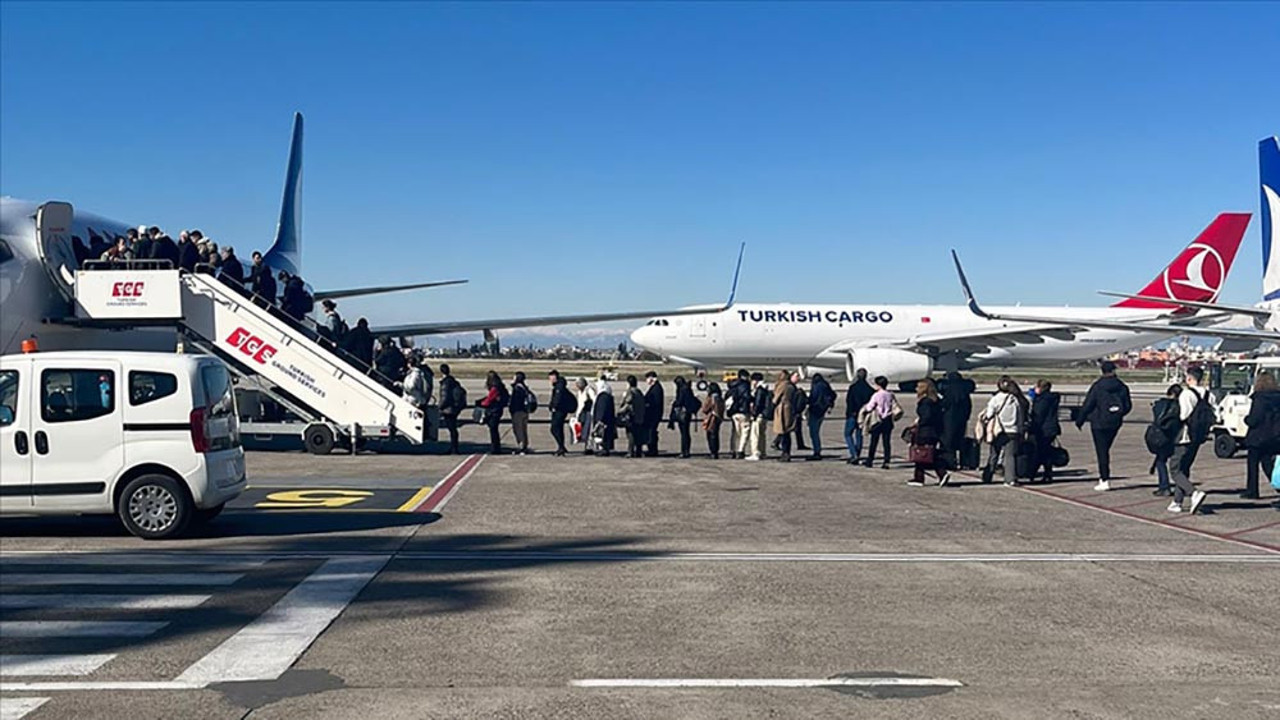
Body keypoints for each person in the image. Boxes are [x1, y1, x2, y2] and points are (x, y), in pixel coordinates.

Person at [1076, 361, 1133, 491]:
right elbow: (1128, 405)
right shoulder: (1122, 386)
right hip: (1114, 422)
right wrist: (1118, 414)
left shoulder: (1097, 386)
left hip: (1099, 422)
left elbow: (1088, 404)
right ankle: (1104, 478)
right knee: (1105, 448)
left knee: (1102, 451)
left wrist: (1080, 419)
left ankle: (1104, 479)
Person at [1167, 366, 1210, 514]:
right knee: (1185, 468)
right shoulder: (1208, 394)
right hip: (1198, 437)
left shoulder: (1186, 394)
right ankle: (1177, 502)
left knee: (1174, 469)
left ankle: (1194, 492)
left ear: (1190, 378)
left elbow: (1183, 415)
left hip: (1185, 435)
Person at [980, 377, 1028, 486]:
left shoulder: (996, 399)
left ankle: (987, 476)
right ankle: (1010, 479)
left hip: (999, 430)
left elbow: (989, 414)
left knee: (994, 454)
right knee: (1010, 456)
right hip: (1013, 430)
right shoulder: (1015, 399)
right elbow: (1020, 416)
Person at [1244, 371, 1280, 500]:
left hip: (1258, 437)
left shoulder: (1259, 398)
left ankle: (1252, 490)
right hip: (1275, 436)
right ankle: (1277, 485)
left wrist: (1246, 419)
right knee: (1267, 462)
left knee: (1253, 464)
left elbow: (1255, 419)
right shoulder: (1278, 398)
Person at [907, 378, 948, 486]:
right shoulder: (936, 401)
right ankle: (921, 476)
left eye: (918, 387)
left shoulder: (926, 402)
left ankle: (939, 473)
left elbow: (927, 416)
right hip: (935, 431)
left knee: (922, 453)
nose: (916, 389)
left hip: (925, 432)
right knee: (928, 453)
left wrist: (918, 422)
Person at [1146, 384, 1183, 497]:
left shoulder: (1162, 405)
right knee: (1179, 464)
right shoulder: (1180, 405)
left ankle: (1164, 486)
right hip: (1175, 437)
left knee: (1161, 462)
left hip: (1163, 437)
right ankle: (1181, 486)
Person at [938, 371, 974, 470]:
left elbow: (945, 404)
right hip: (962, 420)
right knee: (960, 440)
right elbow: (968, 407)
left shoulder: (949, 392)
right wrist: (966, 417)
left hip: (948, 420)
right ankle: (963, 462)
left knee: (948, 442)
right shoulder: (964, 394)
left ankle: (949, 462)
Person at [1028, 380, 1062, 484]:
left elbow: (1039, 415)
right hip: (1051, 428)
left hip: (1043, 429)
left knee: (1040, 452)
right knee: (1045, 451)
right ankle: (1046, 473)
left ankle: (1034, 472)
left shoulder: (1042, 400)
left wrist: (1031, 426)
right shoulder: (1051, 398)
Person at [862, 376, 897, 469]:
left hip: (878, 419)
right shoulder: (890, 394)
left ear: (878, 385)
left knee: (874, 441)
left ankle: (870, 460)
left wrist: (864, 409)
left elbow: (870, 407)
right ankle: (886, 461)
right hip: (888, 419)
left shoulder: (876, 395)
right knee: (886, 442)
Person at [844, 368, 875, 464]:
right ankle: (857, 453)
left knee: (847, 434)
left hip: (852, 414)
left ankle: (854, 454)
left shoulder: (853, 387)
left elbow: (849, 401)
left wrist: (850, 412)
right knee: (859, 434)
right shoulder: (869, 389)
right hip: (863, 414)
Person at [806, 372, 837, 460]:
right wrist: (829, 405)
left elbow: (813, 398)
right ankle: (817, 450)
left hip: (815, 410)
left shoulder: (816, 386)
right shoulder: (825, 385)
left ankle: (817, 451)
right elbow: (833, 395)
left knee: (814, 433)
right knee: (816, 431)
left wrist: (807, 400)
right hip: (822, 411)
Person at [669, 376, 700, 458]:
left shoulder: (683, 390)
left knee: (684, 434)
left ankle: (684, 451)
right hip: (687, 413)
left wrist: (674, 403)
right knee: (686, 433)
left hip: (683, 414)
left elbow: (680, 401)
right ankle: (686, 451)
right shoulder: (687, 389)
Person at [478, 371, 508, 454]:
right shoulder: (500, 387)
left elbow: (489, 400)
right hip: (498, 409)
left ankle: (495, 448)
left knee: (493, 430)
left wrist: (481, 403)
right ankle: (495, 447)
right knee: (494, 430)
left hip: (494, 411)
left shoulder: (495, 388)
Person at [438, 364, 464, 454]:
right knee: (453, 429)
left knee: (452, 429)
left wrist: (440, 407)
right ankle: (454, 447)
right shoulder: (454, 382)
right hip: (454, 408)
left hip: (448, 409)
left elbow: (444, 397)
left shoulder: (445, 383)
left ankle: (454, 448)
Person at [727, 369, 753, 460]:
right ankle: (740, 450)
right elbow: (747, 397)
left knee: (735, 432)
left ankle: (732, 450)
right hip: (743, 411)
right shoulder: (745, 385)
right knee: (745, 431)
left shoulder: (732, 385)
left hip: (734, 411)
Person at [619, 375, 647, 458]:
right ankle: (639, 451)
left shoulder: (631, 392)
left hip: (632, 417)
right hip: (640, 416)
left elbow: (628, 403)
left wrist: (620, 411)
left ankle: (630, 452)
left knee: (631, 435)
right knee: (638, 434)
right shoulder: (639, 392)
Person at [772, 371, 797, 462]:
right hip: (790, 409)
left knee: (783, 432)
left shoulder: (783, 385)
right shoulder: (791, 386)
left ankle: (785, 453)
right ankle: (786, 452)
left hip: (782, 409)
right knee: (787, 432)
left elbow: (775, 399)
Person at [748, 372, 771, 461]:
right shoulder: (765, 389)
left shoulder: (759, 390)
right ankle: (762, 452)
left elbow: (757, 404)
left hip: (759, 415)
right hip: (764, 415)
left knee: (755, 435)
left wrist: (754, 414)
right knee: (762, 435)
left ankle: (755, 453)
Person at [548, 370, 571, 456]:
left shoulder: (559, 387)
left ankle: (561, 447)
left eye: (551, 377)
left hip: (560, 410)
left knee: (554, 428)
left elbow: (557, 398)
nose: (550, 380)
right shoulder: (559, 385)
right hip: (561, 410)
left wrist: (554, 406)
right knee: (559, 429)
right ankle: (561, 447)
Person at [509, 371, 533, 455]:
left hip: (518, 411)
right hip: (524, 411)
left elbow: (515, 401)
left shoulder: (517, 389)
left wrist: (512, 409)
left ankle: (521, 446)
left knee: (518, 430)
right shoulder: (524, 388)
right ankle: (524, 446)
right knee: (523, 429)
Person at [592, 378, 617, 456]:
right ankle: (605, 449)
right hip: (608, 419)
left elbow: (601, 409)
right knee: (605, 435)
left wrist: (599, 419)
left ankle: (604, 450)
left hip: (603, 420)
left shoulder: (603, 397)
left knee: (602, 435)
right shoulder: (608, 396)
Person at [643, 371, 664, 456]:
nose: (646, 381)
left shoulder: (656, 388)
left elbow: (655, 402)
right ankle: (652, 449)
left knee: (651, 432)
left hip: (653, 415)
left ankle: (652, 450)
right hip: (653, 414)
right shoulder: (655, 387)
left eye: (647, 378)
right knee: (651, 432)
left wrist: (647, 404)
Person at [701, 382, 725, 459]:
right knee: (715, 435)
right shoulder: (720, 397)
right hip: (718, 418)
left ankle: (713, 452)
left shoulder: (712, 397)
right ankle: (715, 452)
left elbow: (705, 409)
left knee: (711, 435)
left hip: (712, 417)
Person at [574, 378, 595, 452]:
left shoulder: (589, 390)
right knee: (583, 430)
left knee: (588, 430)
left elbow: (594, 400)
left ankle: (589, 447)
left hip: (588, 412)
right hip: (582, 413)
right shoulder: (580, 392)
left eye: (578, 384)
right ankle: (586, 445)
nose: (577, 386)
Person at [790, 373, 808, 453]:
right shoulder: (790, 387)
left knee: (797, 428)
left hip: (796, 411)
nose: (799, 378)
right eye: (797, 376)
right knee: (792, 427)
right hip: (793, 411)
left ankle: (800, 444)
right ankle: (776, 442)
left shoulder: (794, 387)